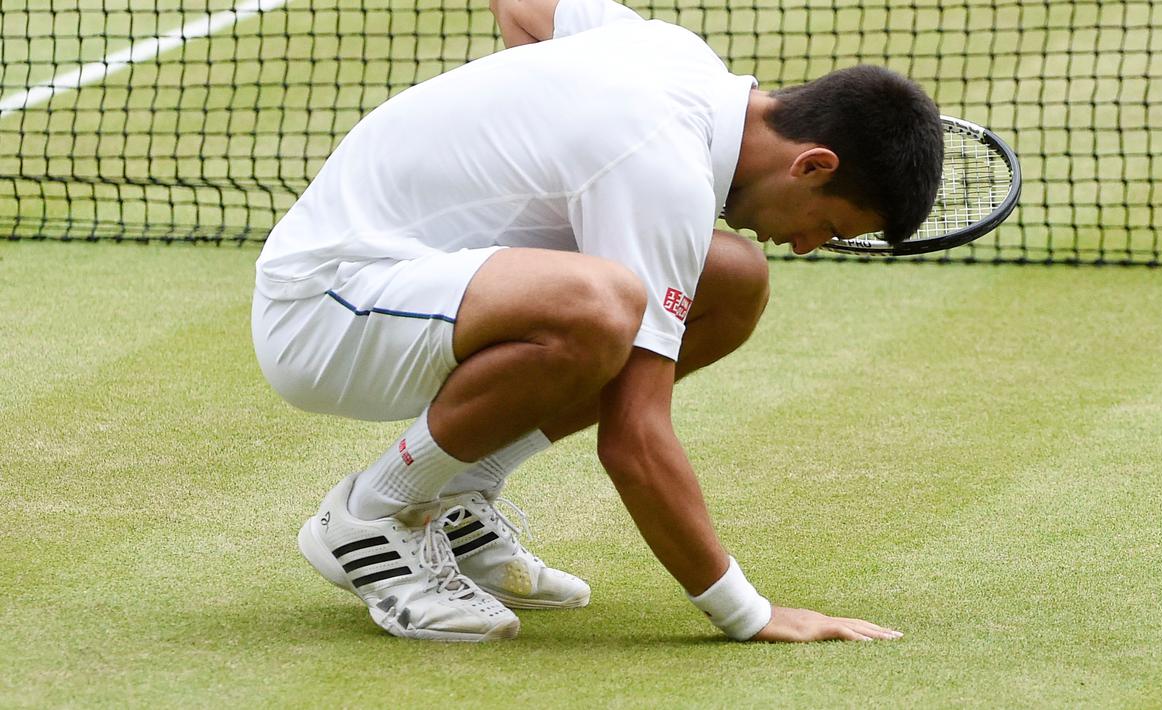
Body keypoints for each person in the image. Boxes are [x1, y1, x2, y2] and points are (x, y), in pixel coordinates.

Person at [251, 0, 943, 643]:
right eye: (827, 225)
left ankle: (455, 495)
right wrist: (748, 613)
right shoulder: (663, 170)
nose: (804, 246)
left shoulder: (671, 51)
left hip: (413, 285)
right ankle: (372, 515)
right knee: (598, 306)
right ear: (812, 164)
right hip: (325, 313)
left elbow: (521, 6)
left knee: (730, 280)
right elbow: (633, 440)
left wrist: (525, 126)